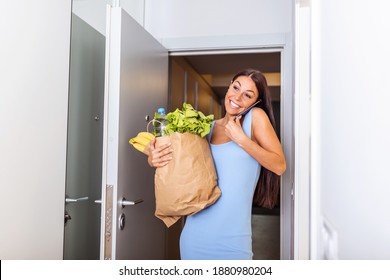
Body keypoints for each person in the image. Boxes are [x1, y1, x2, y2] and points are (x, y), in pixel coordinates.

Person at [147, 68, 286, 260]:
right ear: (229, 85)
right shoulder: (206, 128)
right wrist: (154, 157)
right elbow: (177, 166)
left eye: (248, 95)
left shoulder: (255, 118)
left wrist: (242, 140)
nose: (237, 97)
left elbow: (279, 165)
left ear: (256, 102)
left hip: (234, 242)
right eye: (236, 87)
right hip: (194, 237)